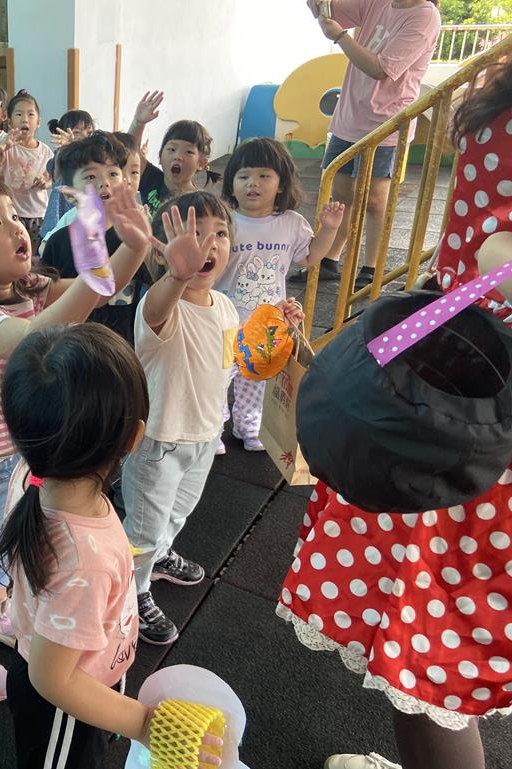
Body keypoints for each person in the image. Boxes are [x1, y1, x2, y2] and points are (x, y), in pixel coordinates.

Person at [280, 55, 512, 769]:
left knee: (431, 647)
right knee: (418, 641)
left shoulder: (494, 101)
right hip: (454, 385)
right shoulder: (498, 98)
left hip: (467, 413)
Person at [0, 174, 152, 701]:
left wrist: (131, 245)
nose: (16, 227)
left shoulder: (24, 290)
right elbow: (41, 334)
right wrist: (99, 240)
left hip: (11, 460)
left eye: (12, 215)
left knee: (5, 544)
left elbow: (95, 290)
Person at [0, 324, 222, 769]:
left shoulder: (35, 476)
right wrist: (142, 724)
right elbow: (52, 678)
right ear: (135, 438)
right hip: (65, 704)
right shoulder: (85, 560)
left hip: (80, 671)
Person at [123, 192, 304, 645]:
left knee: (178, 512)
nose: (208, 244)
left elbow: (236, 362)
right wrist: (177, 276)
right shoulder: (160, 306)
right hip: (160, 441)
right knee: (143, 527)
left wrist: (277, 327)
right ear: (162, 251)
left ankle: (160, 557)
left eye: (220, 233)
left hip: (205, 435)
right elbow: (158, 310)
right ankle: (131, 591)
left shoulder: (223, 306)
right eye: (194, 233)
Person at [292, 0, 441, 288]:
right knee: (340, 195)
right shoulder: (378, 2)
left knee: (374, 200)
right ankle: (330, 259)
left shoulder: (425, 15)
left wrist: (339, 36)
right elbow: (329, 11)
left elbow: (381, 68)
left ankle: (371, 267)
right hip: (350, 116)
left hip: (385, 122)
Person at [215, 137, 343, 452]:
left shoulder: (290, 223)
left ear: (281, 183)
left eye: (264, 176)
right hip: (225, 319)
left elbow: (310, 257)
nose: (253, 183)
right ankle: (213, 429)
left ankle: (249, 426)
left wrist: (328, 229)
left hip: (267, 323)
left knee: (257, 378)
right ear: (231, 184)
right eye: (243, 176)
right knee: (216, 377)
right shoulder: (225, 221)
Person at [41, 131, 150, 343]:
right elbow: (46, 301)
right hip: (70, 347)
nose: (104, 182)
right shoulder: (58, 242)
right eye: (91, 177)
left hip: (122, 347)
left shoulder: (132, 236)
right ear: (69, 194)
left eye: (113, 173)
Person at [0, 90, 54, 256]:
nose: (25, 119)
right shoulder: (8, 147)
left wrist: (45, 183)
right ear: (10, 121)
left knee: (35, 256)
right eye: (19, 114)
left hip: (39, 213)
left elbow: (53, 179)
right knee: (13, 253)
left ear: (38, 122)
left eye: (30, 114)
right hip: (13, 213)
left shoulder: (45, 151)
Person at [138, 120, 219, 216]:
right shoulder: (151, 179)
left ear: (201, 163)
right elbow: (130, 152)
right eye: (172, 149)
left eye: (188, 152)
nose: (178, 156)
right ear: (160, 156)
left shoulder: (198, 204)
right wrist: (138, 122)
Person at [39, 109, 96, 242]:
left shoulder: (93, 161)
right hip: (55, 226)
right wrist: (66, 148)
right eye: (77, 132)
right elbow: (58, 173)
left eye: (89, 133)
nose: (85, 137)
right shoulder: (60, 157)